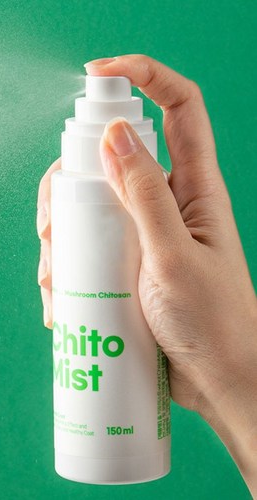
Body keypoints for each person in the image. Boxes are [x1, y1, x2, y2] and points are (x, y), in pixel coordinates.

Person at [36, 54, 257, 495]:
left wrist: (232, 371)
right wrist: (231, 379)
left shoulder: (136, 183)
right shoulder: (70, 190)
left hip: (141, 431)